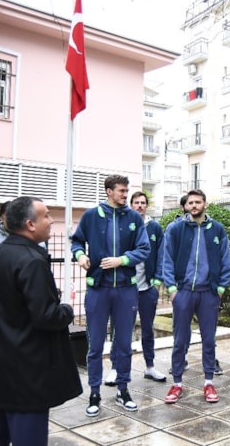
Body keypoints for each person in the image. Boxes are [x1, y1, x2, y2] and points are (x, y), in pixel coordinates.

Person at [0, 196, 82, 446]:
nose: (51, 220)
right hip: (27, 371)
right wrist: (67, 310)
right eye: (46, 215)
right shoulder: (32, 261)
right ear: (30, 224)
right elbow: (46, 316)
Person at [71, 175, 151, 417]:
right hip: (98, 289)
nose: (125, 195)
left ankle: (123, 390)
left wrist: (122, 260)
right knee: (95, 344)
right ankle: (94, 393)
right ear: (108, 191)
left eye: (127, 191)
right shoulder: (91, 216)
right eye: (121, 191)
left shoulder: (134, 218)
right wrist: (80, 257)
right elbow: (76, 242)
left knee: (124, 344)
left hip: (126, 289)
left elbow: (144, 249)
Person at [162, 189, 230, 404]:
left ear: (205, 204)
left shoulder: (217, 229)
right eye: (190, 202)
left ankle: (209, 382)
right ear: (186, 206)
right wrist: (172, 290)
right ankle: (177, 384)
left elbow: (225, 259)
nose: (194, 205)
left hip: (208, 293)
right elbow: (167, 260)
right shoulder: (176, 229)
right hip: (183, 292)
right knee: (180, 340)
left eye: (197, 202)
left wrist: (220, 288)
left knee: (209, 339)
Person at [104, 192, 167, 386]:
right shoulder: (123, 225)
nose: (140, 206)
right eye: (136, 202)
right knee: (120, 329)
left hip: (147, 287)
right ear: (131, 205)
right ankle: (116, 368)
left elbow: (161, 255)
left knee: (147, 329)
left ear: (147, 206)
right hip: (125, 287)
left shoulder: (154, 227)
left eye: (143, 203)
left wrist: (156, 282)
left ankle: (150, 367)